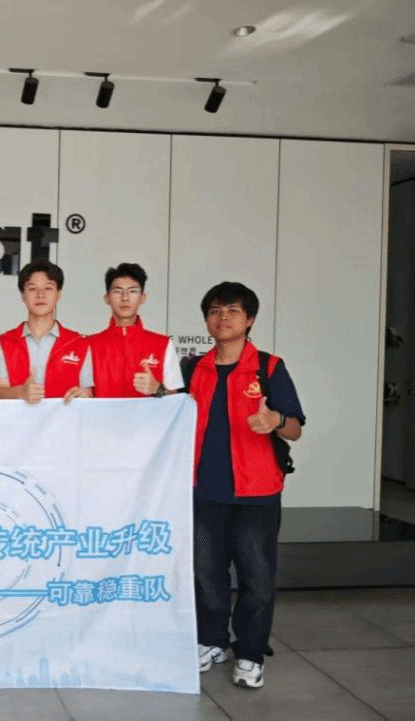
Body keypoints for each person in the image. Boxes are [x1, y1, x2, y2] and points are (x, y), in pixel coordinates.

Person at [188, 282, 305, 690]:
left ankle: (251, 653)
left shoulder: (269, 368)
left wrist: (276, 421)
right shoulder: (194, 369)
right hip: (204, 490)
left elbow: (295, 429)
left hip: (256, 492)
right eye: (215, 311)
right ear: (206, 320)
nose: (223, 317)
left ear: (250, 319)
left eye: (233, 310)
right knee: (206, 572)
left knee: (256, 577)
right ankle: (212, 642)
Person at [0, 259, 92, 404]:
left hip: (64, 419)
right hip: (17, 419)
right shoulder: (4, 342)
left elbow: (87, 392)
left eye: (48, 288)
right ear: (23, 295)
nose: (40, 295)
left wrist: (83, 395)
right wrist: (21, 392)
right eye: (32, 289)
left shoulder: (78, 343)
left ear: (58, 294)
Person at [86, 262, 183, 397]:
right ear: (107, 298)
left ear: (142, 297)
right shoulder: (89, 345)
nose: (125, 298)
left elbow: (176, 399)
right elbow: (82, 394)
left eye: (132, 291)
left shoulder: (162, 344)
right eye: (117, 291)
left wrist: (157, 389)